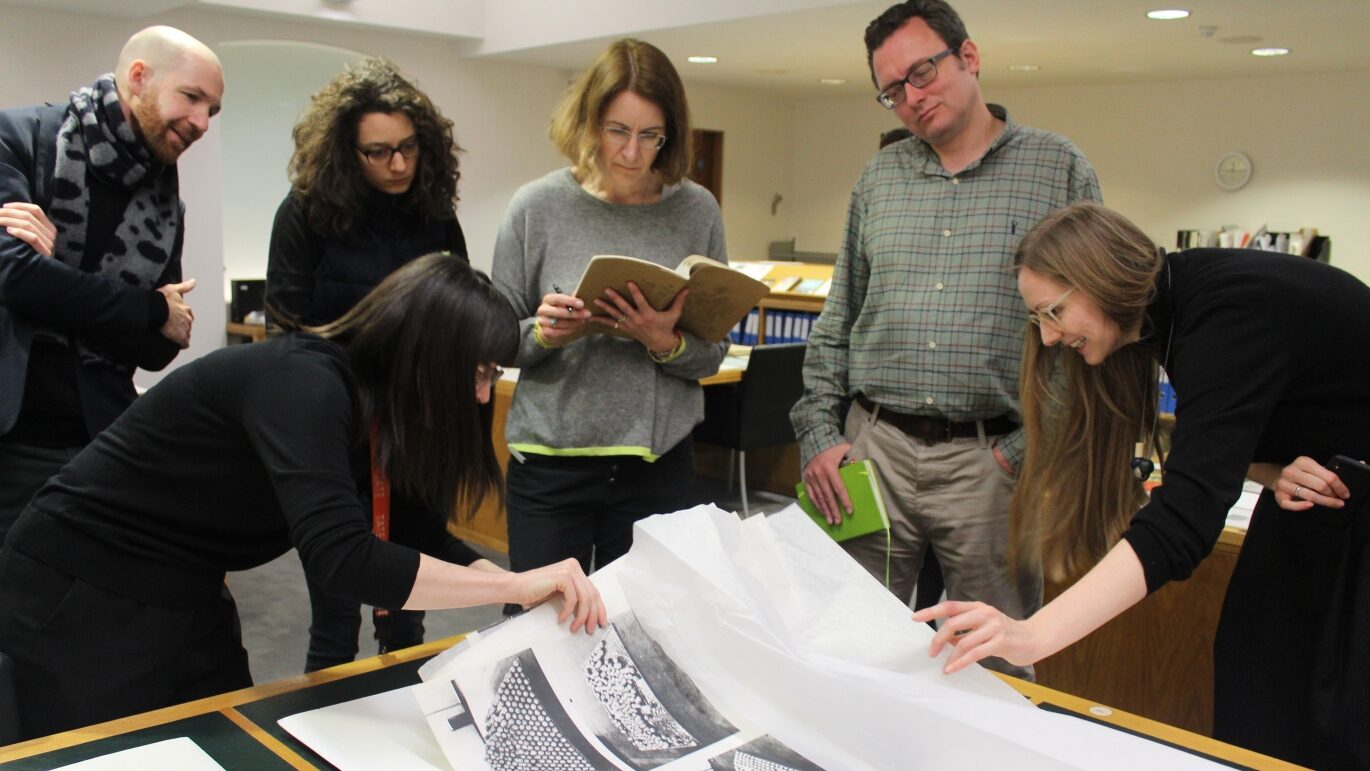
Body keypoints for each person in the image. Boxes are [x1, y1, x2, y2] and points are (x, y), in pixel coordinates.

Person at [0, 255, 605, 740]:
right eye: (477, 372)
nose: (480, 397)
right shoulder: (306, 385)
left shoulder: (370, 405)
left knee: (222, 737)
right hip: (79, 586)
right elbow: (342, 558)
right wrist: (509, 587)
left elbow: (416, 526)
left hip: (184, 587)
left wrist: (513, 585)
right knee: (91, 754)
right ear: (427, 356)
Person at [914, 202, 1370, 768]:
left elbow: (1185, 521)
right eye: (1038, 320)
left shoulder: (1223, 316)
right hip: (1323, 502)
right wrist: (1275, 467)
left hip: (1354, 531)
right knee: (1255, 689)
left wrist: (1030, 636)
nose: (1050, 338)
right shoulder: (1173, 308)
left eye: (1054, 312)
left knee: (1323, 722)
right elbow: (1235, 436)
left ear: (1103, 279)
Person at [789, 0, 1100, 677]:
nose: (911, 97)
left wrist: (1023, 450)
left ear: (970, 57)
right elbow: (838, 319)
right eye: (892, 90)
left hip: (991, 463)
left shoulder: (1059, 171)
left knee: (992, 662)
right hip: (872, 453)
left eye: (923, 72)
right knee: (845, 644)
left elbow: (1087, 336)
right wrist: (819, 431)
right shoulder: (880, 179)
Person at [491, 39, 727, 584]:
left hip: (657, 465)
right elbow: (497, 338)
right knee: (545, 628)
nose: (631, 153)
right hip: (551, 464)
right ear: (589, 122)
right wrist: (548, 333)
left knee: (645, 631)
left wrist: (663, 341)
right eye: (617, 130)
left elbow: (711, 356)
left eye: (650, 136)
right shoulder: (536, 207)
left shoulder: (697, 210)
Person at [265, 57, 469, 673]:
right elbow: (285, 331)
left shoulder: (434, 214)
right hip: (334, 427)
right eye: (378, 153)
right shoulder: (304, 214)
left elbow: (455, 310)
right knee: (334, 601)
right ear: (346, 152)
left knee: (409, 595)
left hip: (415, 428)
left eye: (408, 148)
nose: (399, 165)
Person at [0, 25, 217, 544]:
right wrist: (148, 308)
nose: (202, 122)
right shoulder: (21, 138)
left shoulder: (167, 202)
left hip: (103, 439)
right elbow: (16, 276)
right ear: (138, 77)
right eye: (192, 97)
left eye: (212, 109)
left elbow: (154, 350)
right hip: (14, 439)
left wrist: (152, 321)